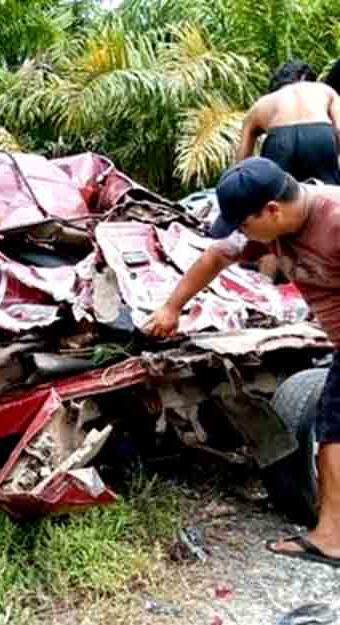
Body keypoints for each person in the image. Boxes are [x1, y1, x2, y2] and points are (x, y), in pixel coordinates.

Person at [144, 157, 340, 568]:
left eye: (244, 224)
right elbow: (216, 257)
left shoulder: (335, 217)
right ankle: (332, 536)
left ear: (272, 209)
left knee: (334, 429)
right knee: (333, 429)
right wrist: (170, 308)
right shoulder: (274, 228)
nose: (241, 234)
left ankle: (332, 538)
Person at [235, 60, 340, 184]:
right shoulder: (324, 90)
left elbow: (242, 161)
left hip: (279, 140)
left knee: (279, 194)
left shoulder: (261, 104)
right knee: (329, 192)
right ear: (306, 78)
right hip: (319, 135)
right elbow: (338, 129)